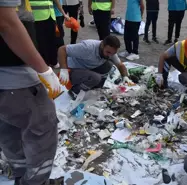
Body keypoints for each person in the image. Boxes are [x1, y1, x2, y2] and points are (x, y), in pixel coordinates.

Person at [0, 0, 62, 184]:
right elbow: (6, 22)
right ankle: (35, 181)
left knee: (9, 129)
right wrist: (44, 70)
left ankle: (20, 174)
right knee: (42, 128)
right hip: (15, 76)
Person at [57, 35, 134, 100]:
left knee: (108, 65)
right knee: (96, 77)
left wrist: (125, 77)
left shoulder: (110, 51)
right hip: (72, 70)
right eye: (108, 52)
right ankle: (74, 91)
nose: (110, 55)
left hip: (86, 68)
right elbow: (62, 49)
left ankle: (93, 86)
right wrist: (64, 70)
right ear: (102, 45)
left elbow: (120, 65)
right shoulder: (87, 47)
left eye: (112, 53)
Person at [29, 0, 69, 67]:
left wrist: (63, 13)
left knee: (52, 40)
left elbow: (56, 1)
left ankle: (53, 61)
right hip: (37, 17)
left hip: (50, 16)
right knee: (41, 41)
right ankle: (45, 62)